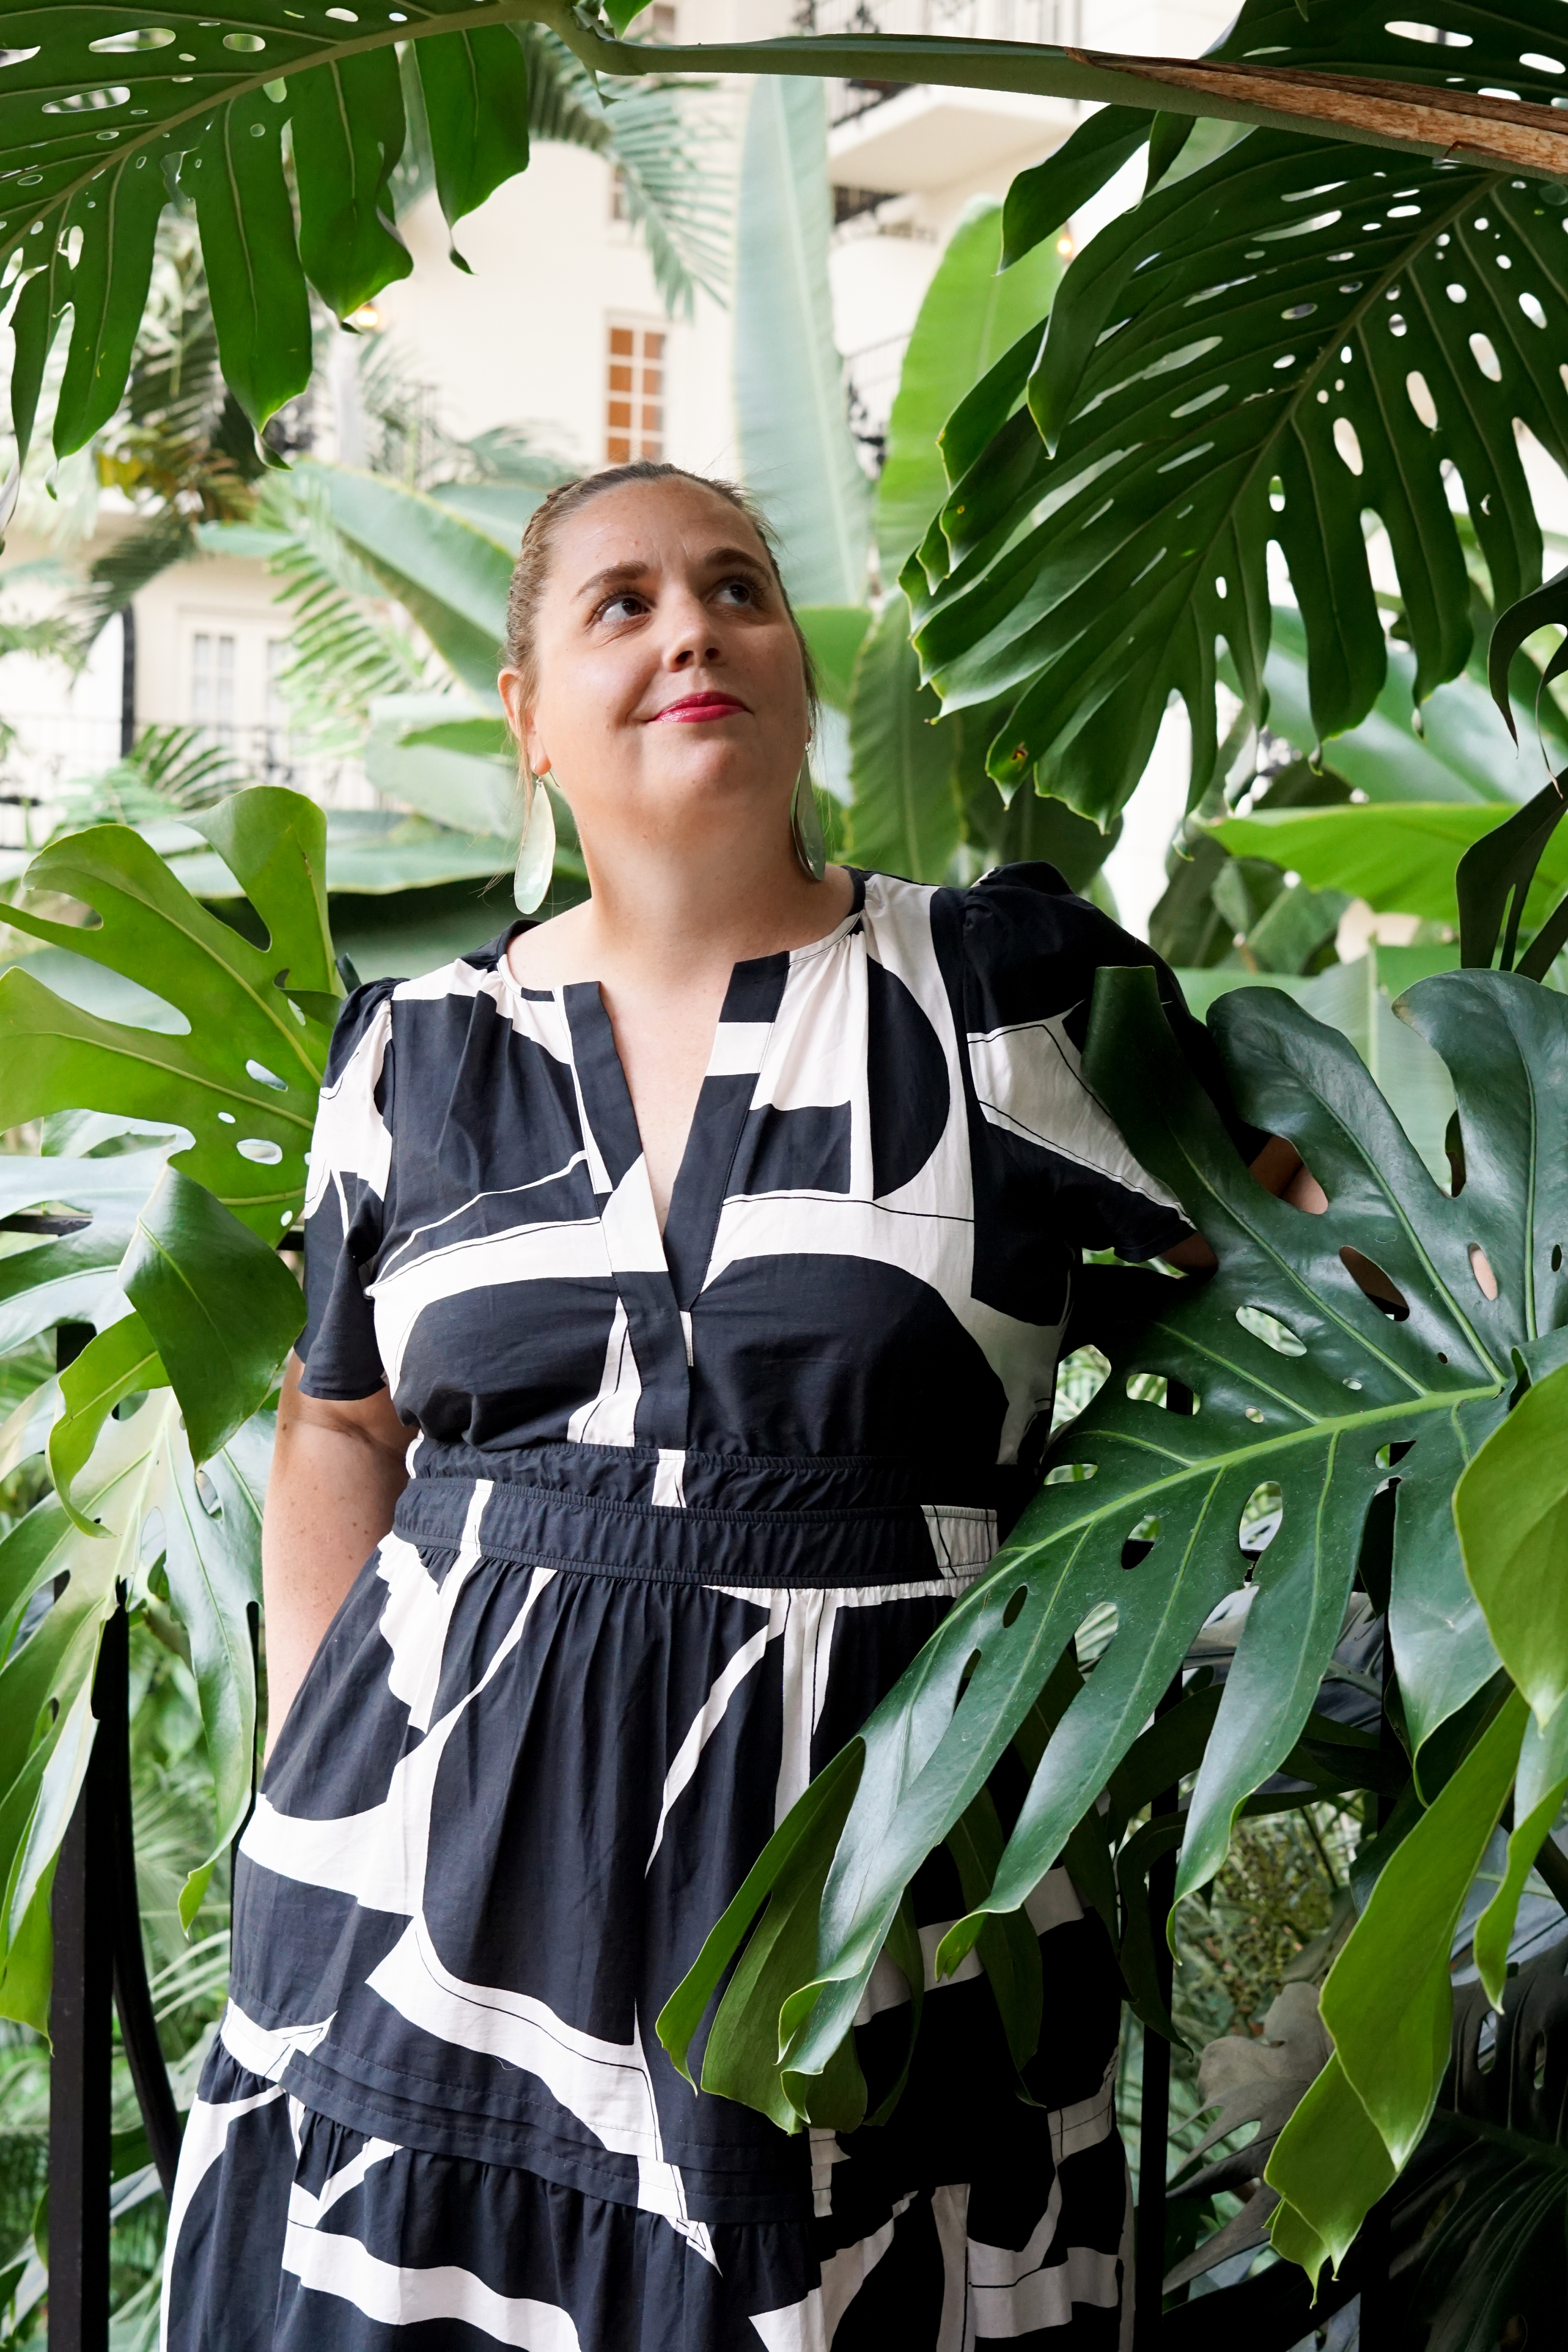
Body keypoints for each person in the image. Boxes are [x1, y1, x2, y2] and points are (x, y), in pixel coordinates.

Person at [161, 462, 1314, 2349]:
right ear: (527, 718)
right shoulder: (415, 1058)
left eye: (738, 586)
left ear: (792, 666)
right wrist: (318, 1751)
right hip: (418, 1932)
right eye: (620, 602)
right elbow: (341, 1419)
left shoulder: (996, 996)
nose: (692, 624)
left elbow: (1330, 1254)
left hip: (871, 1927)